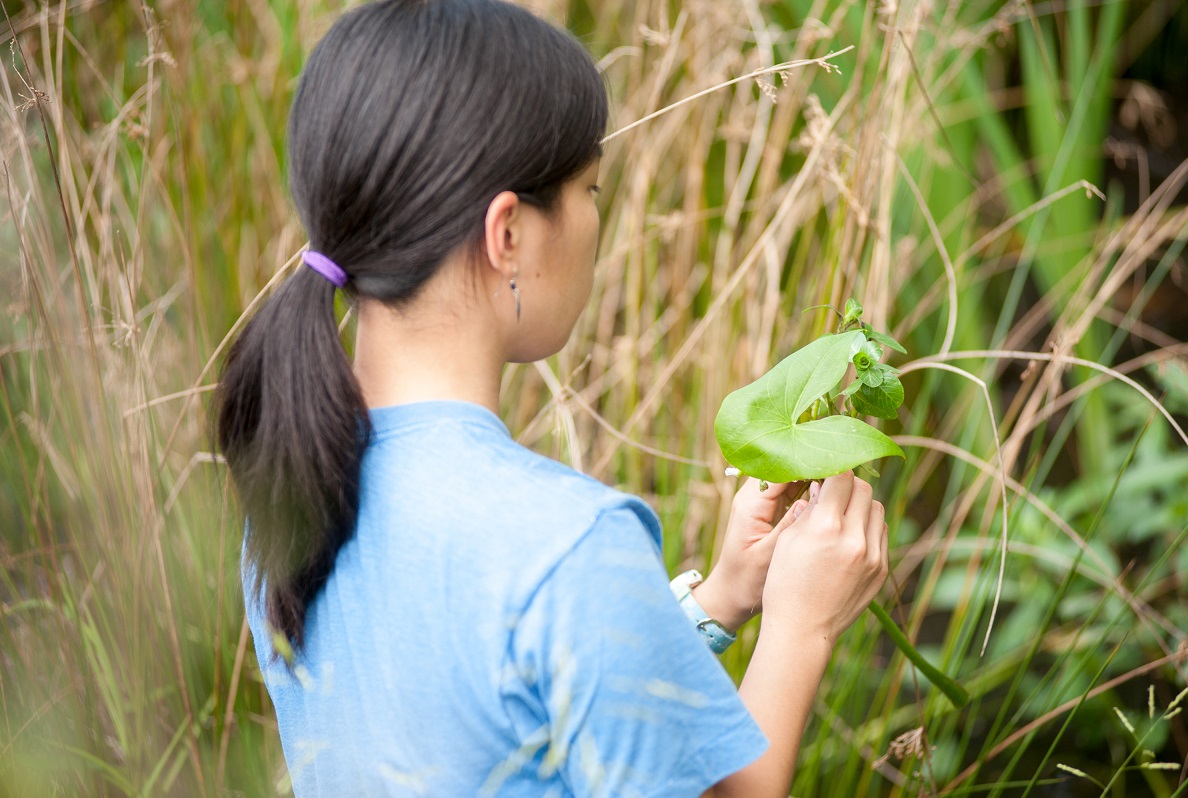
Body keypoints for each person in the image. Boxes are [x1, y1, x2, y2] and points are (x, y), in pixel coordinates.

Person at [214, 1, 889, 795]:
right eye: (590, 189)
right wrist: (799, 627)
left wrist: (720, 603)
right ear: (508, 232)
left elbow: (507, 723)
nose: (597, 220)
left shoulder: (291, 507)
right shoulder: (570, 544)